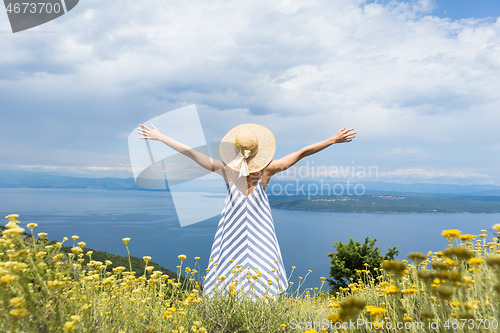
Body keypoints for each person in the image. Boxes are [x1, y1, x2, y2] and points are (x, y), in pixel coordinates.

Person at [138, 123, 356, 298]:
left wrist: (162, 137)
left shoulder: (225, 171)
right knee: (263, 278)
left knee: (228, 278)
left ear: (234, 151)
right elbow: (302, 153)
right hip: (261, 236)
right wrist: (332, 140)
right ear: (259, 152)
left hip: (231, 235)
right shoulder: (267, 171)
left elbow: (191, 153)